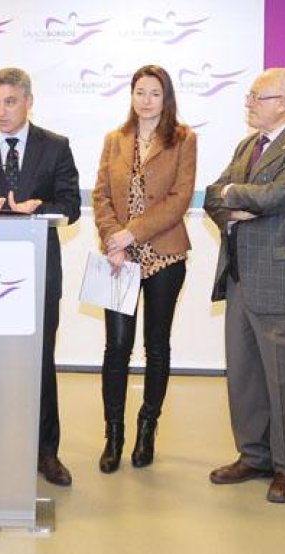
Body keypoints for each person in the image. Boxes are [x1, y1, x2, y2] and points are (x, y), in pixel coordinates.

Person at [0, 67, 81, 486]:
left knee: (40, 364)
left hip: (38, 272)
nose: (1, 110)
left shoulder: (55, 146)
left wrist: (35, 209)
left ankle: (46, 453)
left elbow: (70, 206)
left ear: (28, 101)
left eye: (9, 101)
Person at [204, 68, 285, 504]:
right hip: (240, 275)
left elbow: (278, 196)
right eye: (250, 96)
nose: (250, 103)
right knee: (244, 376)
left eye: (258, 96)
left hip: (283, 280)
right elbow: (212, 194)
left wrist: (236, 197)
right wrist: (237, 204)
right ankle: (254, 455)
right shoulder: (249, 145)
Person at [91, 64, 196, 473]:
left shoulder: (183, 139)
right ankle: (113, 435)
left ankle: (147, 428)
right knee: (116, 346)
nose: (146, 100)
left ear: (166, 98)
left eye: (155, 93)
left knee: (157, 345)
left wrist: (130, 234)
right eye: (140, 92)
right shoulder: (114, 139)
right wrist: (112, 239)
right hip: (118, 258)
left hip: (164, 255)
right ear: (131, 95)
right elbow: (101, 195)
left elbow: (179, 199)